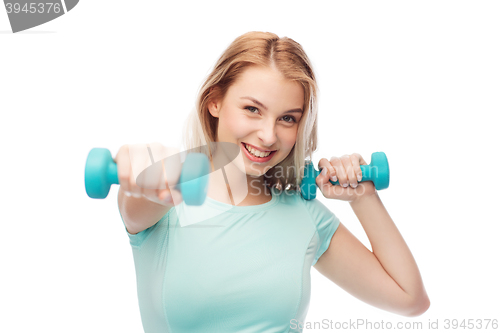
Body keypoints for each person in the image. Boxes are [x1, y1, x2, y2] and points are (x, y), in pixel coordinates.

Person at [114, 31, 430, 333]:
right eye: (252, 109)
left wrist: (363, 197)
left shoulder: (304, 214)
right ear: (215, 102)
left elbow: (409, 299)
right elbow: (138, 199)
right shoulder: (166, 194)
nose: (268, 135)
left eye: (287, 118)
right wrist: (138, 165)